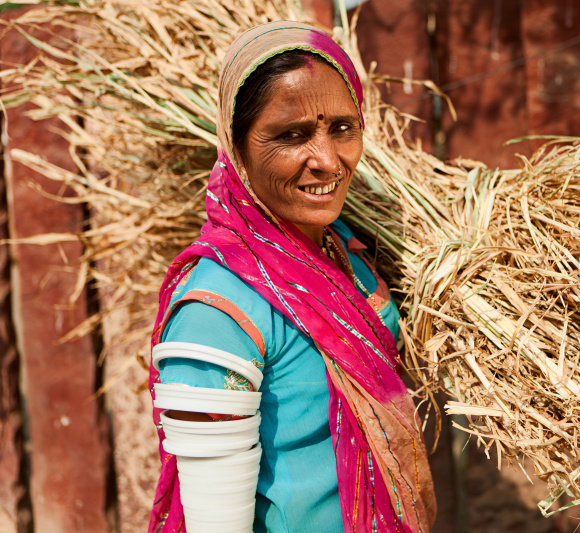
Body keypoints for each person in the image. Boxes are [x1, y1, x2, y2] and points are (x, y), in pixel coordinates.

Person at [147, 21, 436, 533]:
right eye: (290, 135)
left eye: (343, 128)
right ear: (236, 149)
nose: (328, 161)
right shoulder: (217, 317)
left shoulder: (345, 251)